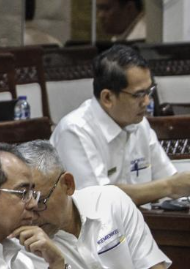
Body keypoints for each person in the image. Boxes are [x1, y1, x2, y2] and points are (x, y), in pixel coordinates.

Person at [16, 140, 171, 269]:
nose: (31, 215)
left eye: (40, 201)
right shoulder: (25, 246)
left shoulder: (111, 201)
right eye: (22, 202)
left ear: (68, 184)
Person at [51, 45, 190, 206]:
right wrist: (169, 187)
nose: (147, 101)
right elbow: (98, 201)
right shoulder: (75, 131)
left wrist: (175, 186)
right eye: (139, 94)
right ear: (108, 98)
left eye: (149, 92)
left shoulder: (140, 125)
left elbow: (170, 180)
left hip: (142, 225)